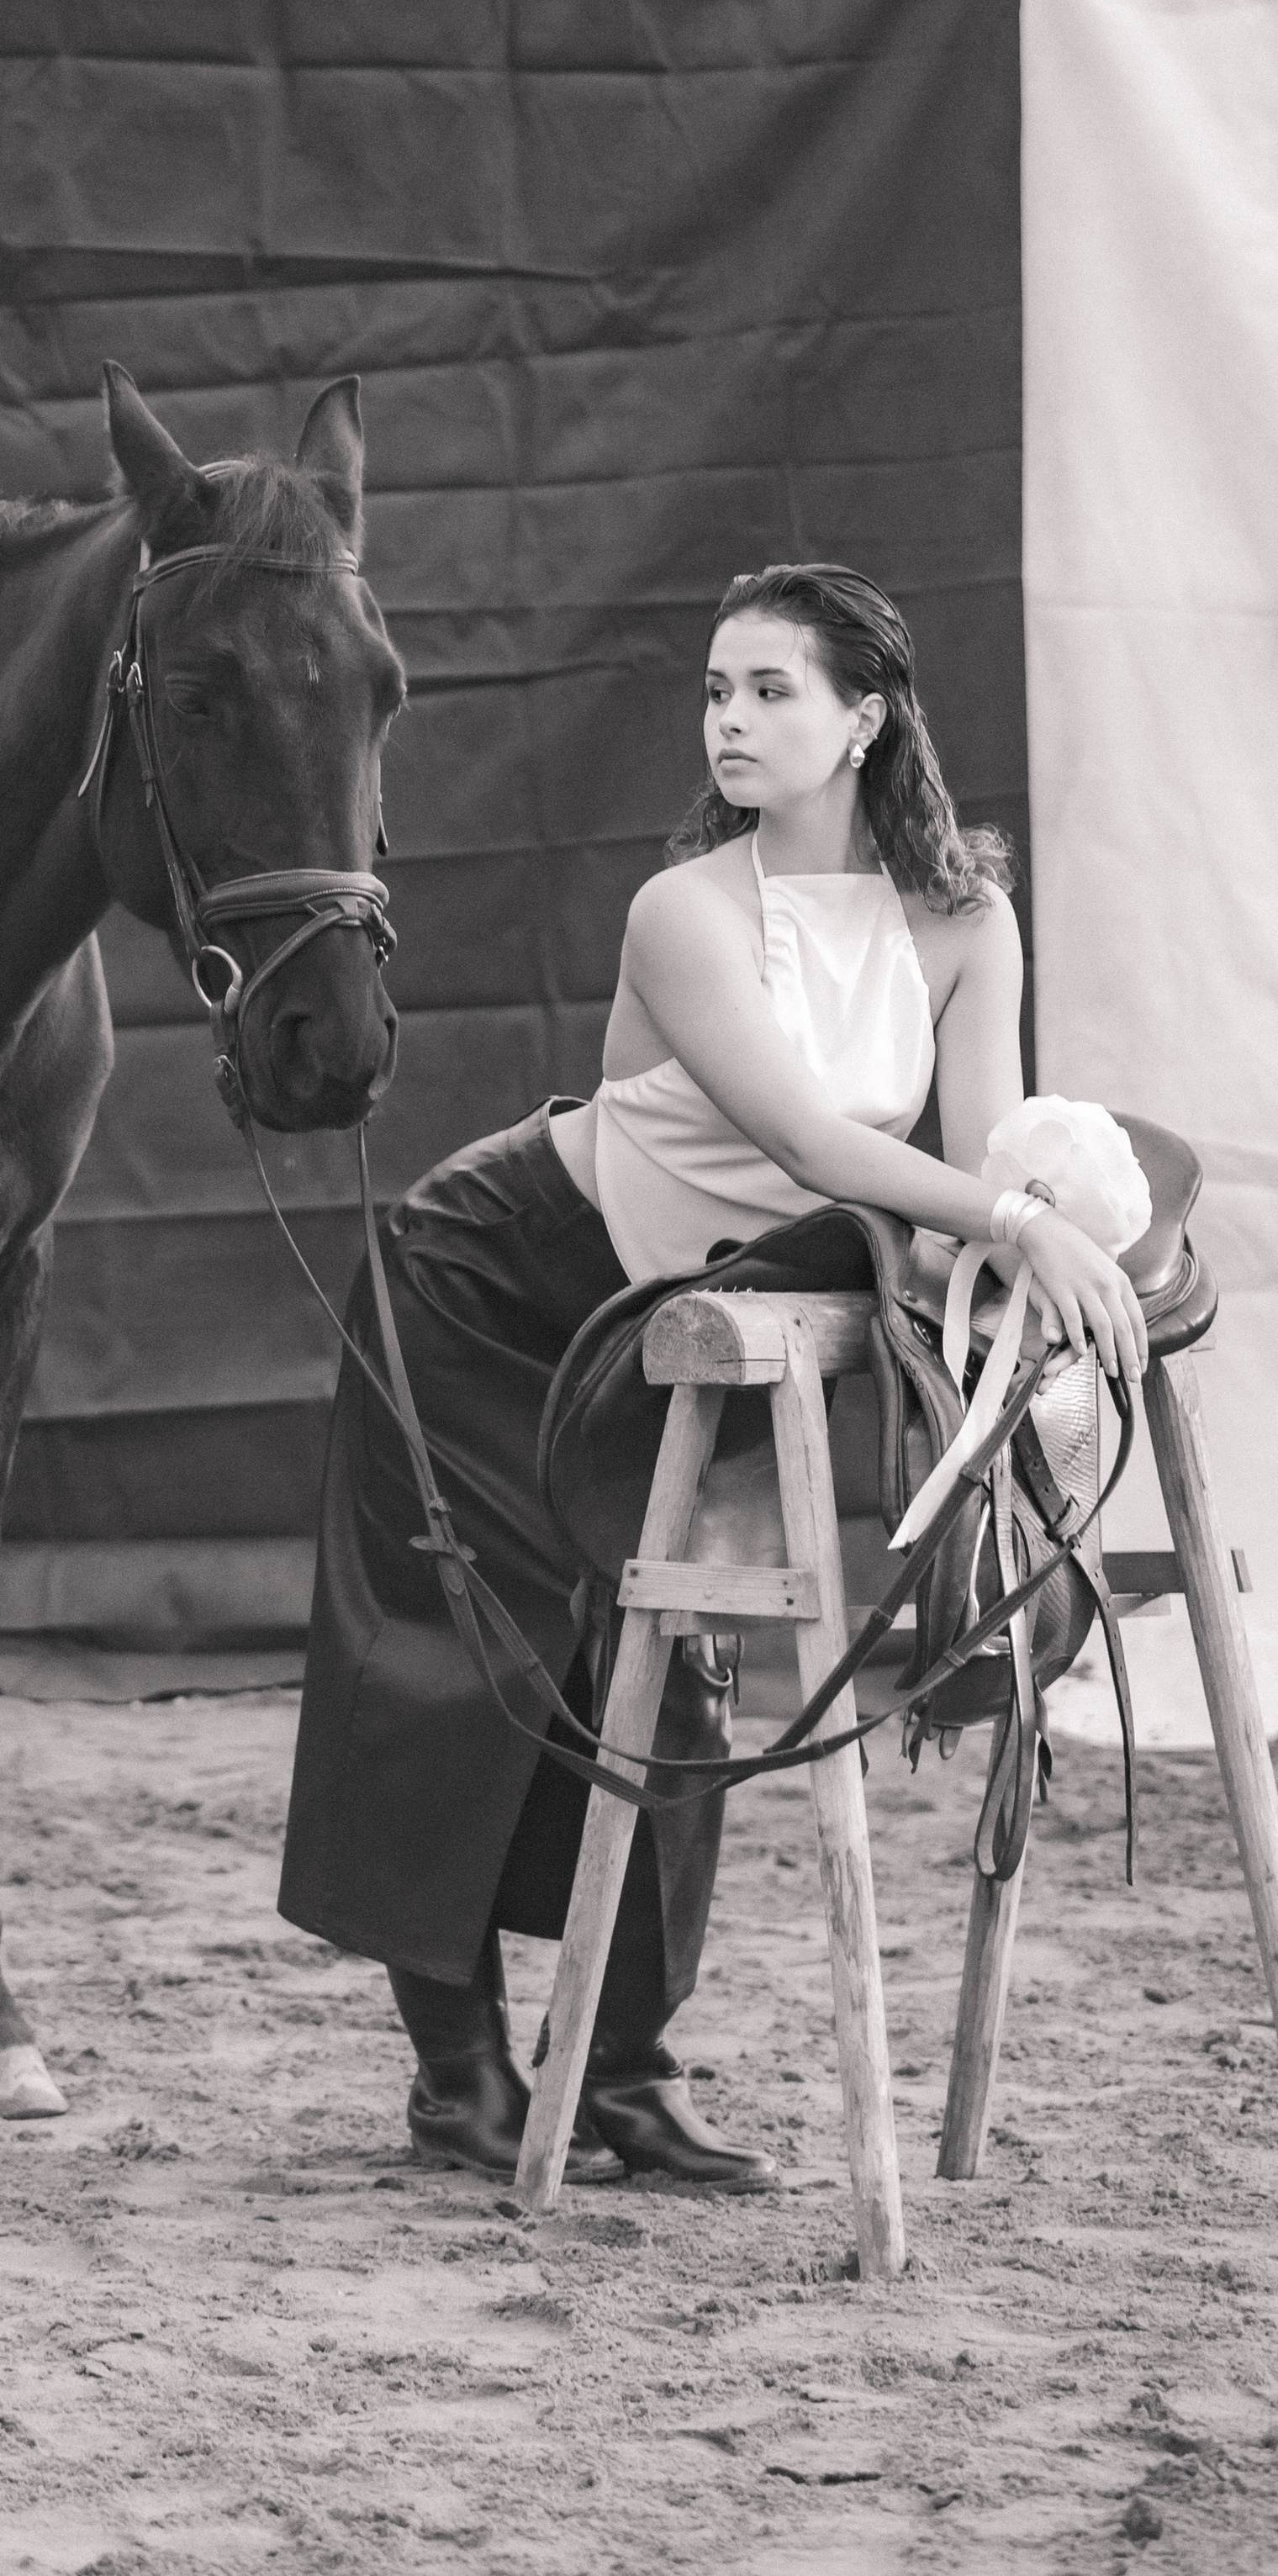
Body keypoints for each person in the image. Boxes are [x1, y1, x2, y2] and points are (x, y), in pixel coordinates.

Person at [277, 561, 1149, 2186]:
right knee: (459, 1644)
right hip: (494, 1272)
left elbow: (960, 1169)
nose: (731, 721)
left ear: (867, 720)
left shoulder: (964, 919)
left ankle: (620, 2069)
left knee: (675, 1655)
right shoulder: (684, 909)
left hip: (694, 1293)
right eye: (716, 691)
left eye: (772, 691)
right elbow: (820, 1143)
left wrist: (1038, 1241)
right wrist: (1024, 1218)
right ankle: (454, 2073)